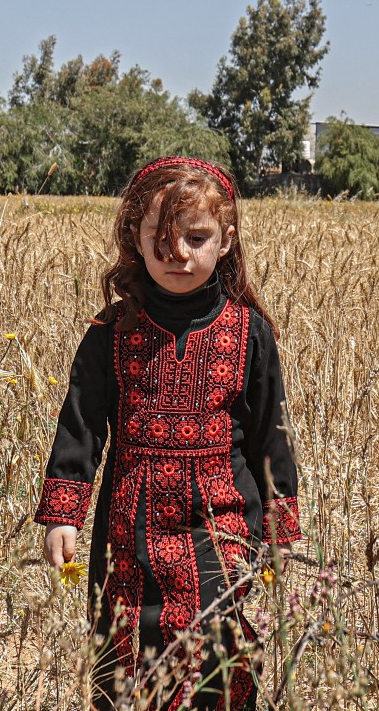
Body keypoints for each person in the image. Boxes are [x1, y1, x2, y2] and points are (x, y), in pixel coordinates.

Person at [35, 157, 303, 710]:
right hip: (129, 532)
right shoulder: (111, 332)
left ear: (226, 240)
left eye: (196, 236)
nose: (178, 253)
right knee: (126, 655)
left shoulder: (250, 331)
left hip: (222, 529)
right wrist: (64, 513)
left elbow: (269, 433)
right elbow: (81, 425)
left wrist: (281, 526)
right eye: (159, 237)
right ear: (134, 238)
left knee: (216, 655)